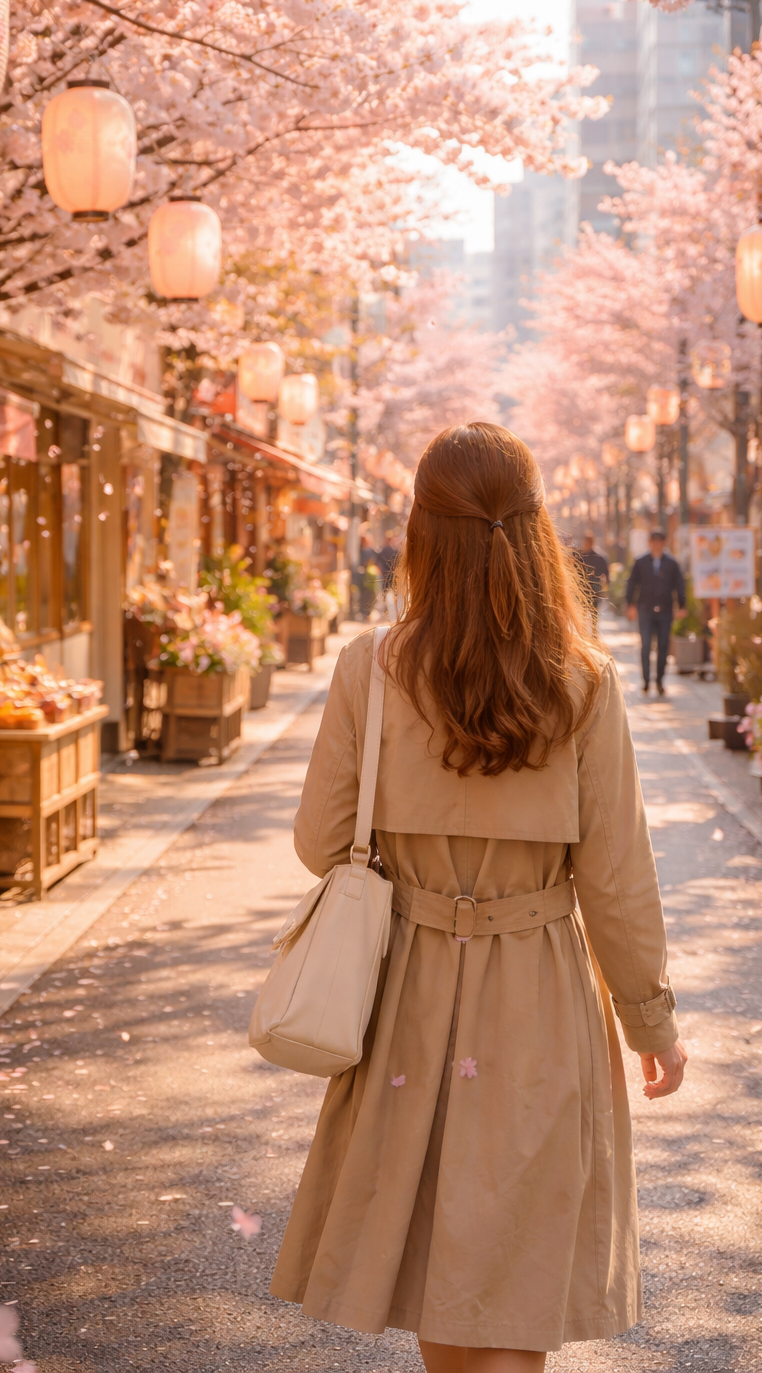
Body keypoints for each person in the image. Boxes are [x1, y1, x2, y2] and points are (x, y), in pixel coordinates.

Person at [271, 423, 686, 1371]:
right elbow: (617, 877)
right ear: (536, 532)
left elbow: (317, 842)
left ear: (420, 531)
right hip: (537, 990)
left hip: (409, 993)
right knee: (516, 1268)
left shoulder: (371, 669)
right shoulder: (582, 682)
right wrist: (650, 1023)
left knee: (440, 1271)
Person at [625, 528, 687, 696]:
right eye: (654, 542)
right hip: (645, 609)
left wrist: (682, 605)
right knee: (645, 645)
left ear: (663, 543)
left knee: (663, 646)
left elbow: (679, 585)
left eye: (660, 542)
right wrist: (629, 604)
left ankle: (659, 680)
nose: (657, 545)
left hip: (665, 610)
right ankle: (646, 680)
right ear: (650, 543)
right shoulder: (641, 561)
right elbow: (632, 583)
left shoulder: (672, 563)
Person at [575, 529, 609, 615]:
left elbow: (606, 573)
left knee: (592, 614)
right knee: (585, 614)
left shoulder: (599, 557)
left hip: (594, 589)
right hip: (584, 588)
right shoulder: (580, 556)